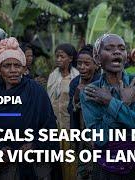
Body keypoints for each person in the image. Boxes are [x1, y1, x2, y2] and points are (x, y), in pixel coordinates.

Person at [0, 37, 61, 180]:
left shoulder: (36, 91)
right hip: (6, 166)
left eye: (17, 66)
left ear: (24, 69)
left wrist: (35, 145)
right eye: (7, 66)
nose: (13, 70)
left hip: (35, 164)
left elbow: (50, 127)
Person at [79, 34, 135, 180]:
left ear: (126, 57)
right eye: (109, 48)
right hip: (107, 168)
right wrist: (124, 104)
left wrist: (110, 103)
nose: (117, 52)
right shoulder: (90, 92)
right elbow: (100, 138)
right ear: (97, 58)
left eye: (121, 48)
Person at [47, 43, 79, 180]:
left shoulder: (76, 77)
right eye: (57, 56)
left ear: (70, 58)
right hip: (54, 124)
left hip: (68, 126)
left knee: (70, 160)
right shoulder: (53, 76)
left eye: (62, 56)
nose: (58, 59)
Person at [68, 44, 100, 180]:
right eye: (79, 63)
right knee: (82, 173)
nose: (81, 67)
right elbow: (70, 110)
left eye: (87, 64)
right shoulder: (75, 83)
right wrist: (76, 97)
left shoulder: (101, 83)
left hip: (99, 138)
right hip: (81, 137)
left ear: (96, 65)